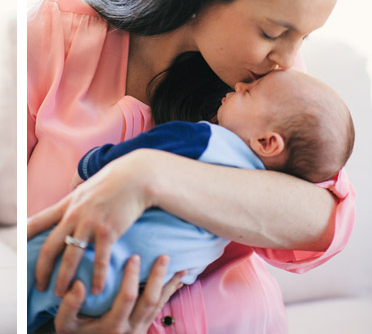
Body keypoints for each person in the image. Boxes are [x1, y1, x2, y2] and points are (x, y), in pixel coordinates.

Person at [27, 0, 355, 334]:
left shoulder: (269, 82)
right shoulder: (56, 38)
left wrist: (148, 174)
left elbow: (322, 218)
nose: (287, 58)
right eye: (273, 32)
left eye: (302, 38)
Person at [27, 69, 355, 331]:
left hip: (97, 265)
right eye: (272, 30)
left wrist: (90, 165)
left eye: (249, 92)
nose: (241, 84)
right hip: (135, 288)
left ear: (268, 142)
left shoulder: (203, 137)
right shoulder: (255, 179)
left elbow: (328, 218)